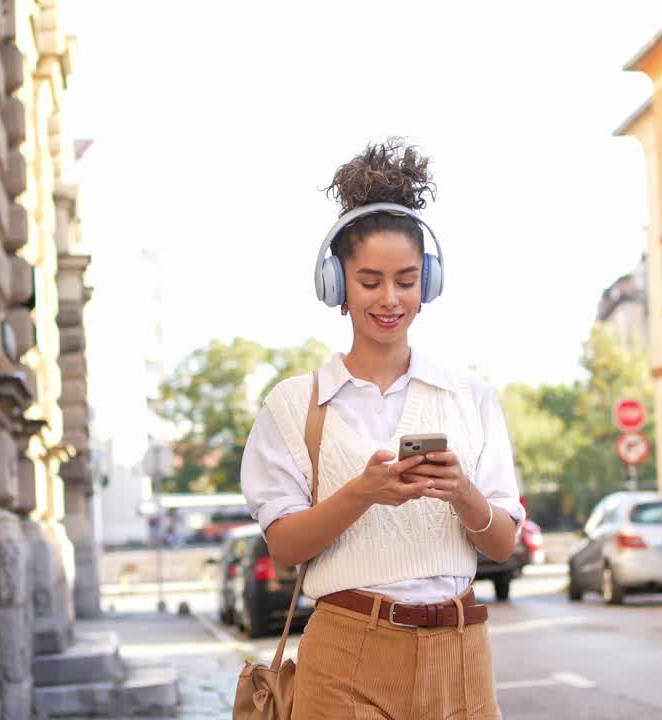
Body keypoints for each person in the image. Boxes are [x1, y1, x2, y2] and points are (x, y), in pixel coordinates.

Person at [239, 138, 523, 719]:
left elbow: (502, 543)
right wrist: (362, 493)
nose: (390, 299)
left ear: (428, 284)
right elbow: (286, 546)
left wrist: (464, 493)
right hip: (347, 657)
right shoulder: (296, 405)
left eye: (406, 279)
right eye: (369, 281)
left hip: (462, 655)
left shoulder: (470, 399)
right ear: (336, 287)